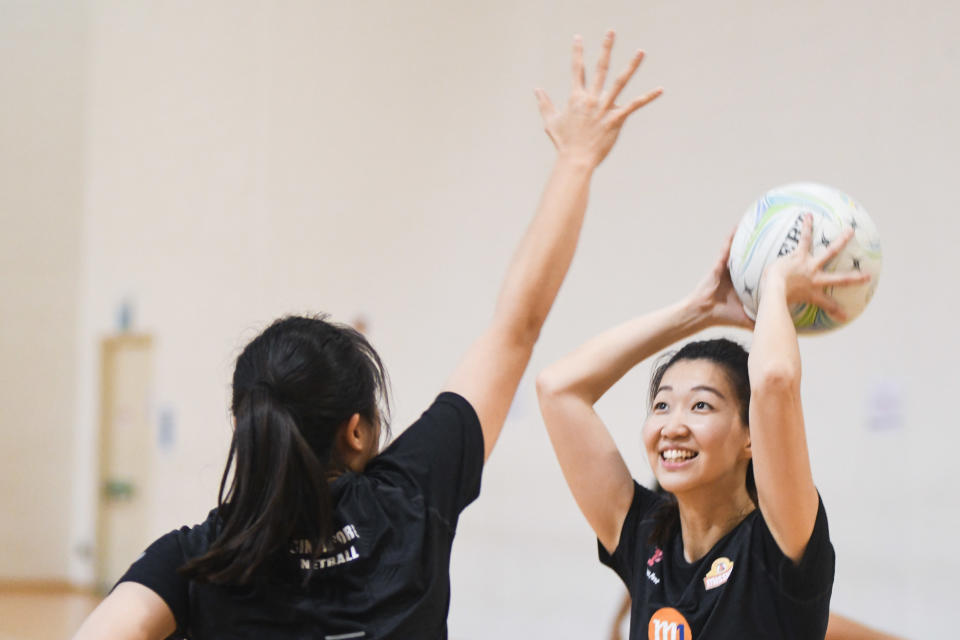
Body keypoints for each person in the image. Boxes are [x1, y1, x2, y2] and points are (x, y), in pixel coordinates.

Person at [72, 31, 663, 640]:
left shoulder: (195, 560)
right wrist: (576, 160)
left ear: (243, 428)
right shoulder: (411, 495)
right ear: (357, 430)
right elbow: (518, 325)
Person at [537, 215, 869, 639]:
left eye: (700, 405)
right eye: (661, 405)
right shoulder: (644, 535)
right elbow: (558, 388)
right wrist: (697, 311)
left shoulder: (778, 537)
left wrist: (775, 288)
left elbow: (775, 380)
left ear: (751, 435)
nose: (673, 425)